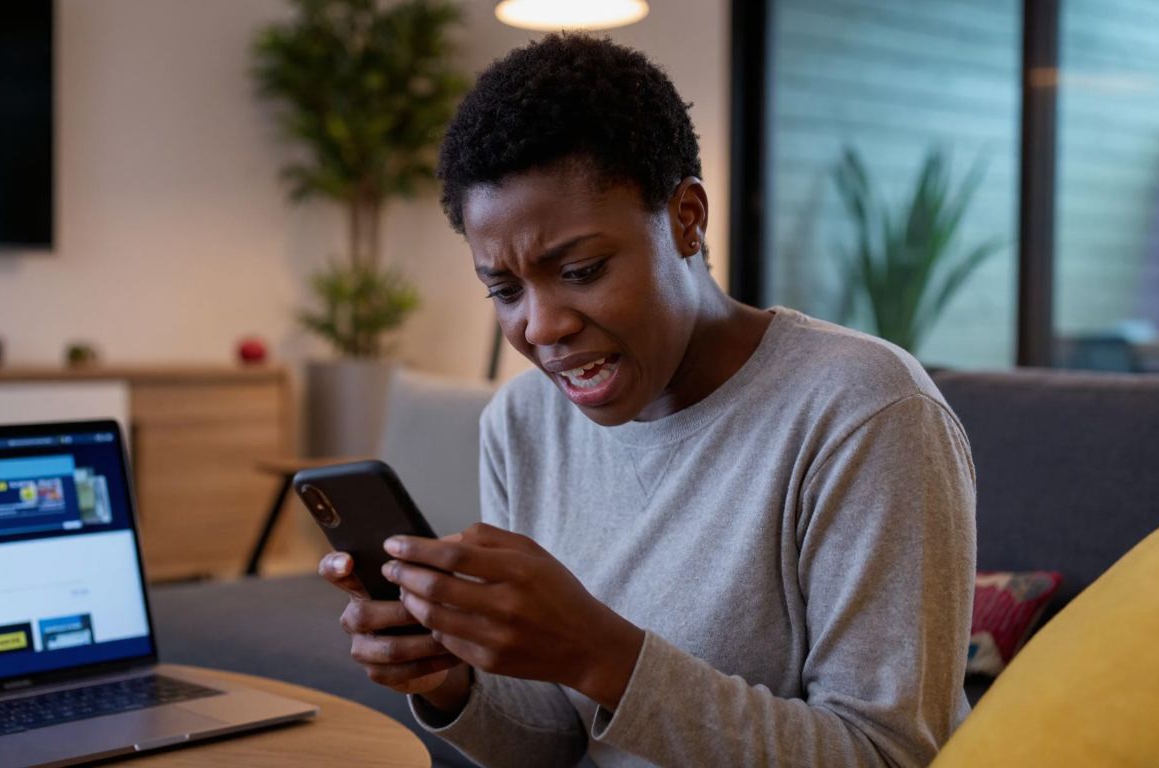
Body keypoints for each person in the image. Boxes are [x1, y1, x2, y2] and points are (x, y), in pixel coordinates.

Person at [320, 34, 975, 767]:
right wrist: (452, 683)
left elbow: (889, 756)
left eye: (581, 269)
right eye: (503, 291)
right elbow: (557, 744)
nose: (539, 327)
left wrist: (605, 655)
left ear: (686, 217)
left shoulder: (864, 410)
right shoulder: (523, 422)